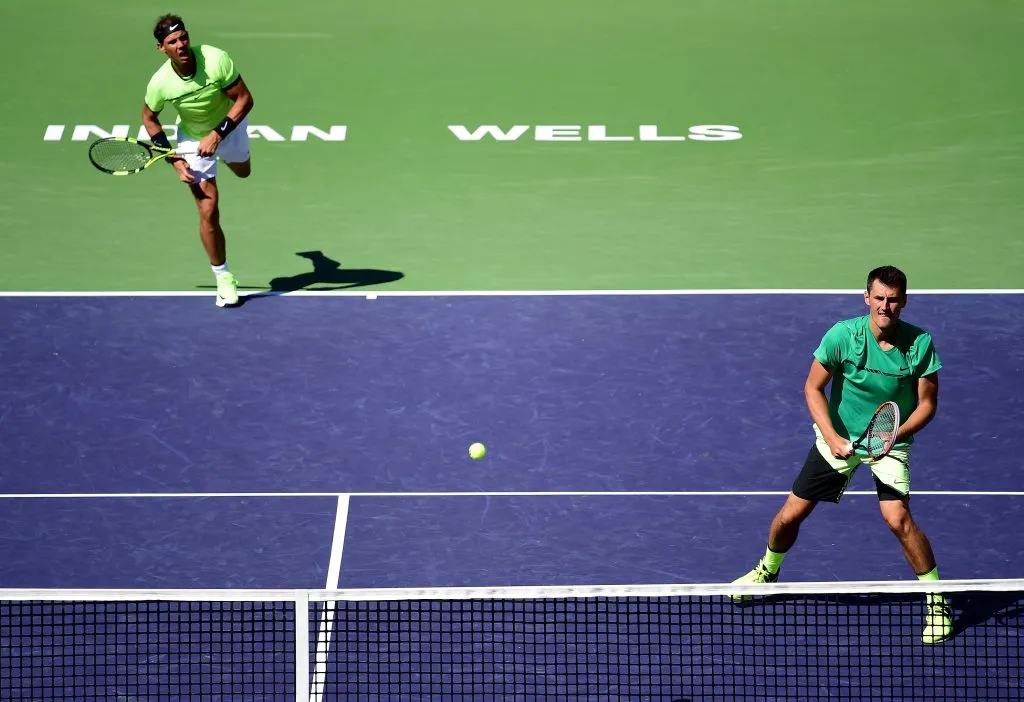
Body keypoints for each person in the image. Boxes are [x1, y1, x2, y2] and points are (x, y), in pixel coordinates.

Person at [731, 265, 953, 644]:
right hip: (840, 437)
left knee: (897, 519)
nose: (885, 306)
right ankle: (768, 570)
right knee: (791, 514)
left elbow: (927, 404)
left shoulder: (919, 343)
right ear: (867, 297)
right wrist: (833, 438)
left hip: (889, 441)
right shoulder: (843, 336)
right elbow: (813, 388)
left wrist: (892, 435)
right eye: (879, 298)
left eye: (893, 299)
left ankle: (937, 599)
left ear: (904, 301)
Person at [141, 14, 255, 307]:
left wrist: (217, 135)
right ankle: (223, 278)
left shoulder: (215, 59)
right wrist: (174, 159)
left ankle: (226, 158)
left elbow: (244, 99)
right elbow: (149, 118)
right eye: (172, 42)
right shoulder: (160, 83)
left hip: (228, 126)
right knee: (208, 210)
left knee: (243, 172)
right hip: (193, 138)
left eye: (183, 38)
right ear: (162, 48)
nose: (180, 45)